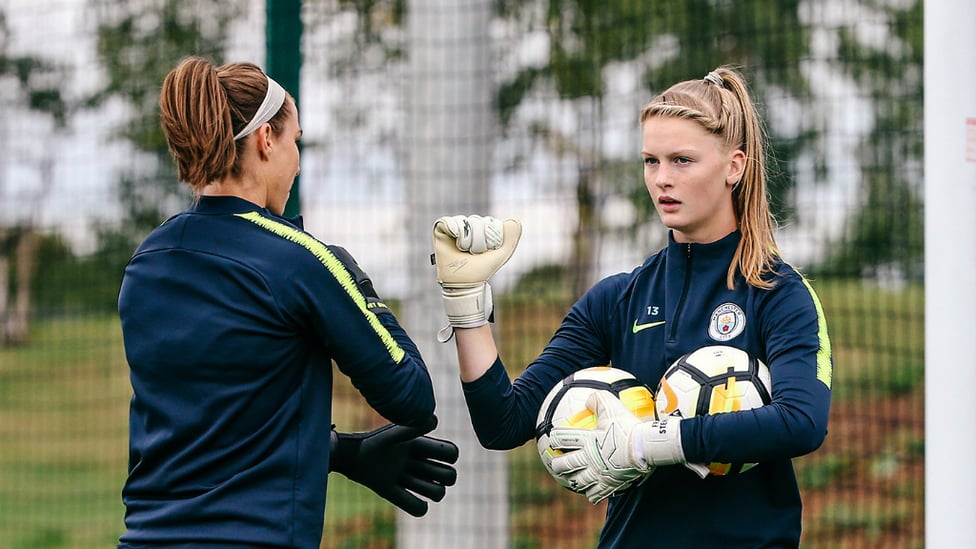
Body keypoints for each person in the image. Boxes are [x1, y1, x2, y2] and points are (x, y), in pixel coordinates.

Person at [431, 65, 832, 548]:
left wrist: (648, 443)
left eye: (682, 160)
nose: (662, 179)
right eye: (651, 161)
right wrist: (466, 305)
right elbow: (505, 422)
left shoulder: (778, 293)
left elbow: (801, 422)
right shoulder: (616, 299)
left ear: (735, 166)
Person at [117, 56, 458, 549]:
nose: (297, 160)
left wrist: (339, 452)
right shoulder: (299, 262)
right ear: (266, 140)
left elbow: (215, 422)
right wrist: (350, 277)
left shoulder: (146, 263)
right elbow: (412, 396)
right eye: (295, 140)